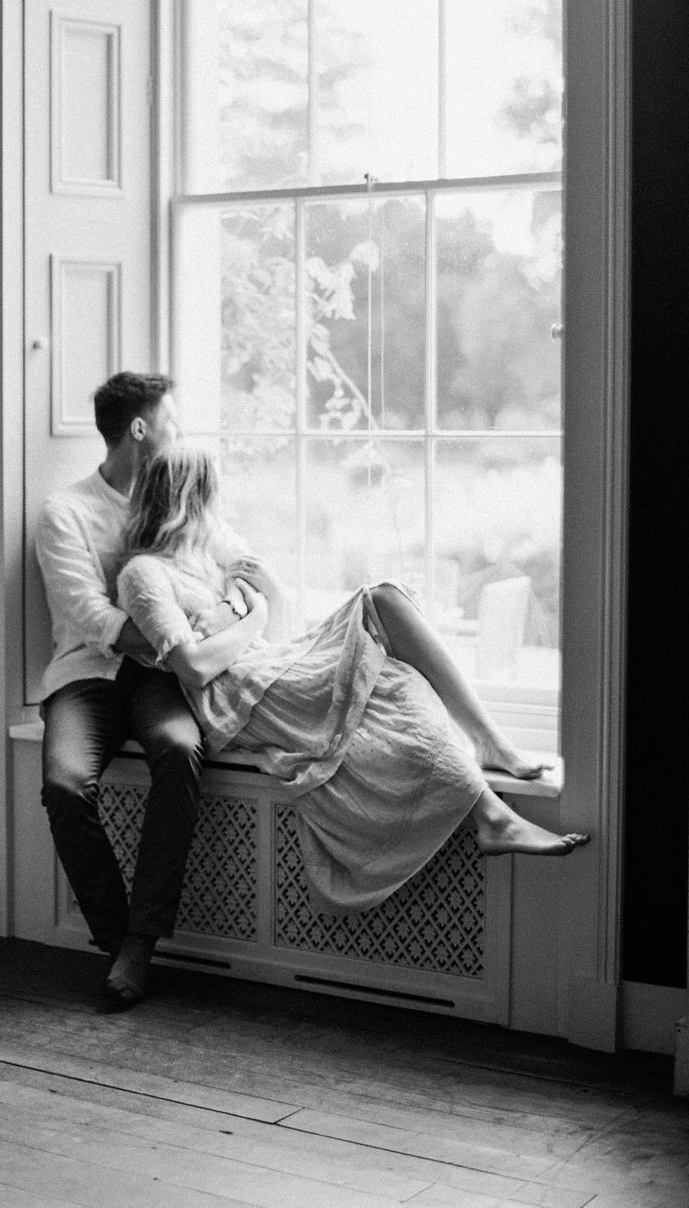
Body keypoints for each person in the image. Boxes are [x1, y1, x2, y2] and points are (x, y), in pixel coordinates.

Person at [116, 443, 589, 920]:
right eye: (212, 495)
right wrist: (253, 615)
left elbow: (267, 637)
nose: (219, 507)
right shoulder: (143, 574)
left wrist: (267, 597)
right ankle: (492, 802)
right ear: (189, 500)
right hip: (235, 697)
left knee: (396, 659)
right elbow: (193, 667)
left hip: (267, 670)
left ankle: (489, 766)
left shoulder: (213, 561)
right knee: (380, 612)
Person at [34, 373, 250, 1008]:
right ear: (140, 429)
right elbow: (88, 614)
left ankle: (142, 945)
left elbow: (241, 564)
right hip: (86, 677)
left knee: (180, 752)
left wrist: (228, 610)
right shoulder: (65, 512)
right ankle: (118, 936)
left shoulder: (178, 501)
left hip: (160, 682)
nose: (178, 432)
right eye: (171, 422)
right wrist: (176, 644)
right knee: (65, 784)